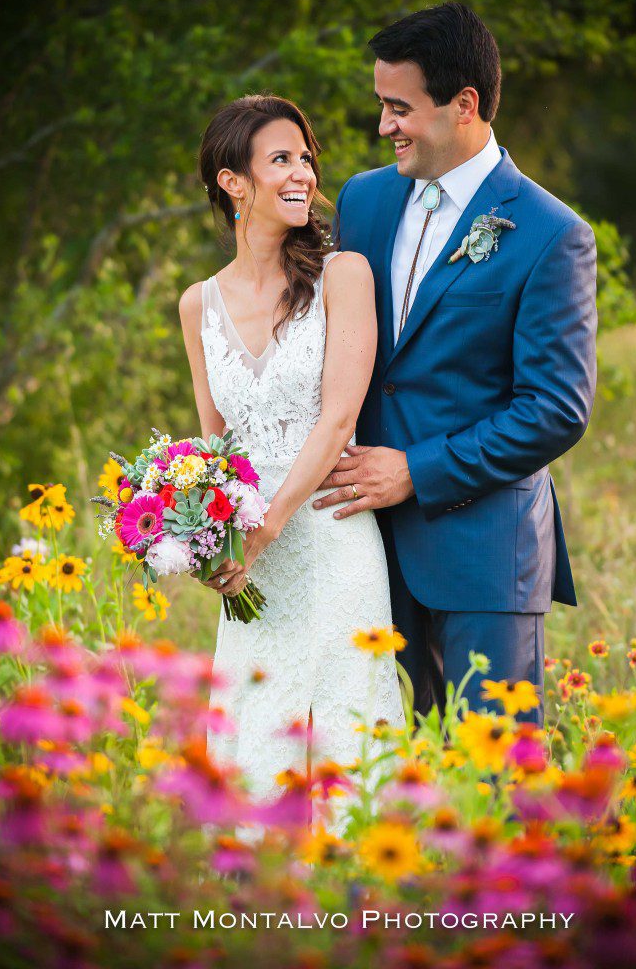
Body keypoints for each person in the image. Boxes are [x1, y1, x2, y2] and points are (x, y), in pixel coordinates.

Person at [314, 2, 598, 728]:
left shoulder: (550, 233)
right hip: (363, 550)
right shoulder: (364, 200)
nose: (383, 125)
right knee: (387, 766)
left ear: (464, 104)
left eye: (399, 108)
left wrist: (417, 469)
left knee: (491, 771)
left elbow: (555, 410)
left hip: (484, 553)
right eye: (382, 104)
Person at [178, 94, 405, 834]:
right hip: (252, 565)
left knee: (343, 741)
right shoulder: (198, 304)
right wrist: (205, 540)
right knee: (253, 738)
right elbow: (215, 449)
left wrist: (267, 528)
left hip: (330, 540)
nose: (303, 172)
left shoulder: (345, 275)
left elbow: (338, 417)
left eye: (306, 157)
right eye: (281, 159)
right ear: (232, 182)